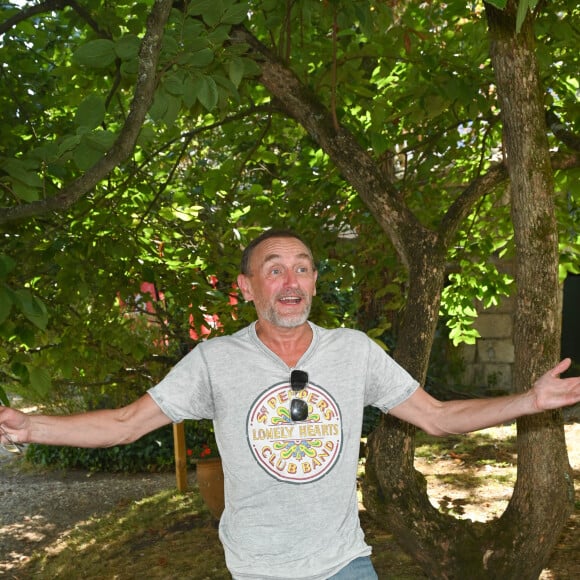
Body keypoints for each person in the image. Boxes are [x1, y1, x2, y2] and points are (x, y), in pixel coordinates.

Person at [1, 229, 579, 580]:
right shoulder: (214, 361)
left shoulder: (352, 351)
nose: (291, 278)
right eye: (274, 269)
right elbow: (126, 425)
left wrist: (528, 400)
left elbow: (436, 417)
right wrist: (29, 426)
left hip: (346, 564)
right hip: (258, 567)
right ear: (249, 287)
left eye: (302, 266)